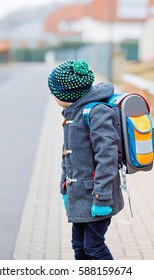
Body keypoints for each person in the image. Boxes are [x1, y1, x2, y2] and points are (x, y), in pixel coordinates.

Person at [47, 59, 124, 260]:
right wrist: (65, 188)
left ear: (67, 94)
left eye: (54, 92)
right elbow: (68, 156)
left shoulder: (96, 113)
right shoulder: (74, 113)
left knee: (94, 248)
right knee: (79, 247)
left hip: (97, 196)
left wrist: (102, 197)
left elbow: (107, 157)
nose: (53, 96)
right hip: (79, 195)